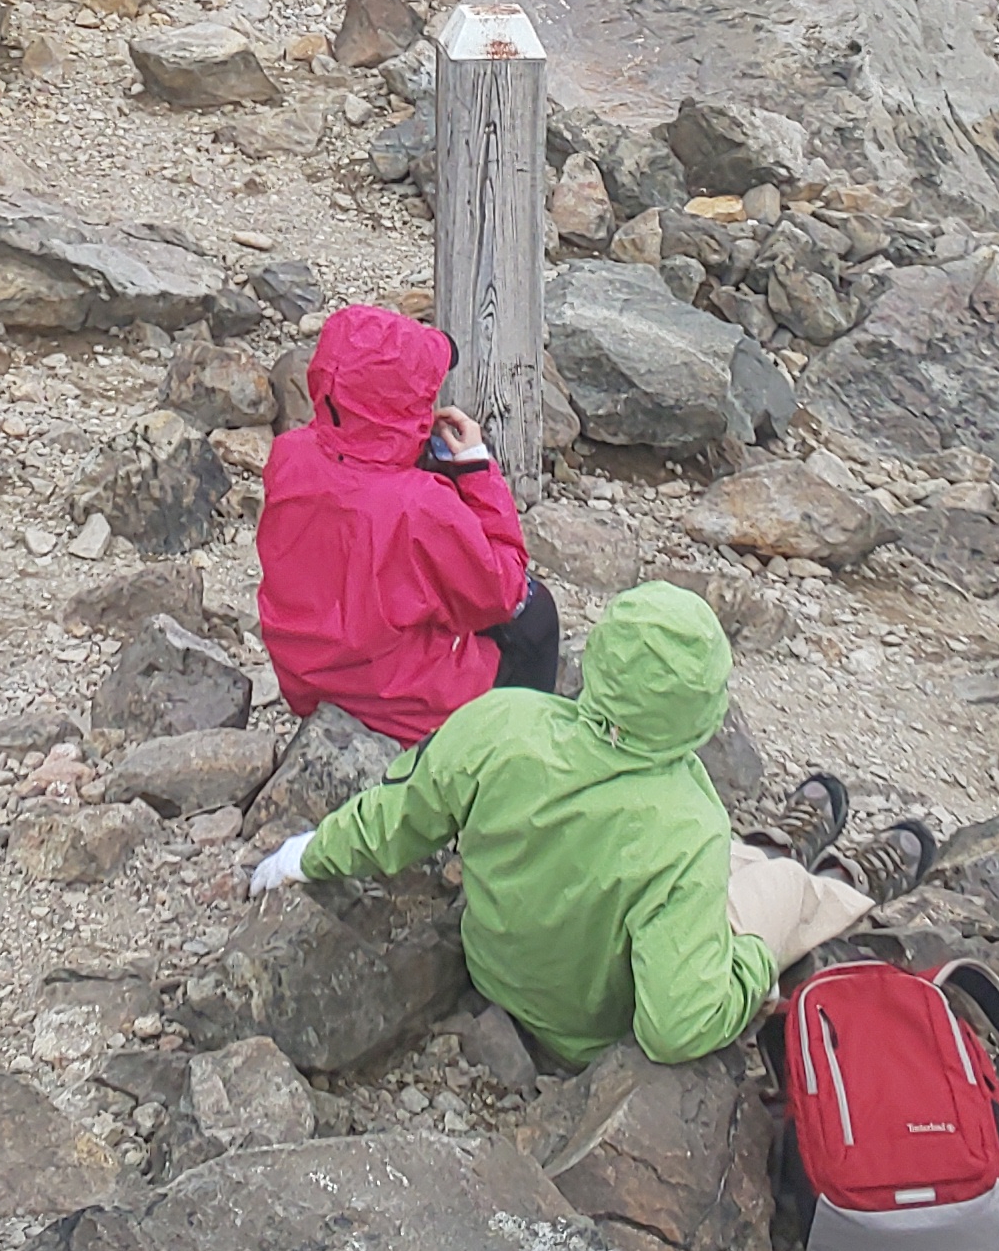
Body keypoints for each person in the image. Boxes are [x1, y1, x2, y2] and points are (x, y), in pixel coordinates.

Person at [243, 583, 934, 1068]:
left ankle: (776, 847)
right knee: (774, 895)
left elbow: (394, 818)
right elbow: (675, 1028)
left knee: (687, 859)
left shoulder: (499, 722)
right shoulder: (688, 822)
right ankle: (826, 879)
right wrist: (749, 964)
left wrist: (304, 856)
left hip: (497, 974)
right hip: (585, 1033)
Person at [256, 304, 548, 739]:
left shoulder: (290, 454)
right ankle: (517, 752)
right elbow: (502, 591)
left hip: (307, 678)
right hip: (399, 703)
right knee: (535, 612)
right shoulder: (422, 505)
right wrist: (475, 469)